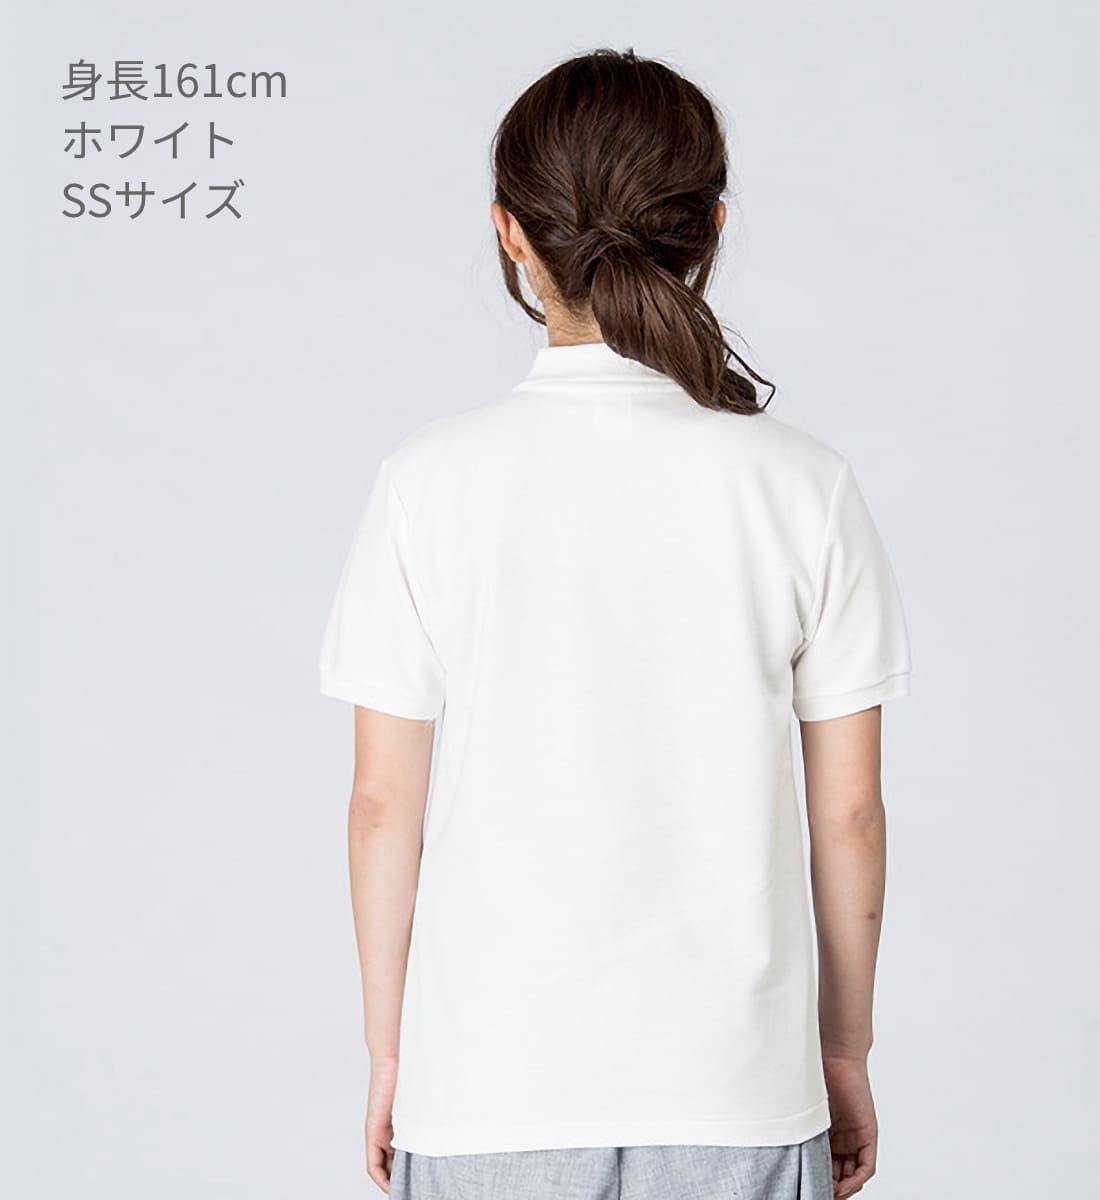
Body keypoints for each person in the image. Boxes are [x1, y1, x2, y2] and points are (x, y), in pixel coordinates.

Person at [318, 47, 912, 1200]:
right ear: (711, 229)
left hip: (488, 1095)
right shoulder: (803, 486)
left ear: (508, 232)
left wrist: (393, 1054)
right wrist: (844, 1053)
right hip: (740, 1094)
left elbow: (382, 806)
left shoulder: (427, 483)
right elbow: (848, 812)